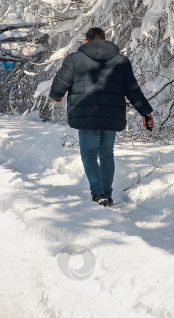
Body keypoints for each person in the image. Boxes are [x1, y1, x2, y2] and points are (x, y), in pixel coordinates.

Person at [50, 27, 154, 206]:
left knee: (89, 154)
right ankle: (107, 193)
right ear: (105, 40)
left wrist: (56, 95)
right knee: (106, 154)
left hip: (86, 115)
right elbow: (132, 89)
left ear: (86, 41)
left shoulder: (74, 59)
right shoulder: (121, 61)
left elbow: (60, 84)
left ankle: (98, 194)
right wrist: (146, 112)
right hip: (111, 116)